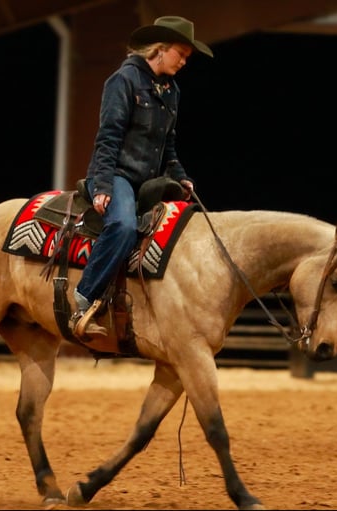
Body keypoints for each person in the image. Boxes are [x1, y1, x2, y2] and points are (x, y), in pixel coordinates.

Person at [70, 15, 213, 339]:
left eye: (187, 57)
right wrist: (103, 185)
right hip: (117, 175)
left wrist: (181, 176)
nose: (184, 62)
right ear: (159, 49)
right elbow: (108, 137)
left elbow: (168, 145)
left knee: (185, 227)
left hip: (148, 181)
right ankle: (84, 298)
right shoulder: (123, 81)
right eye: (181, 54)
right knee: (122, 226)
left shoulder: (171, 90)